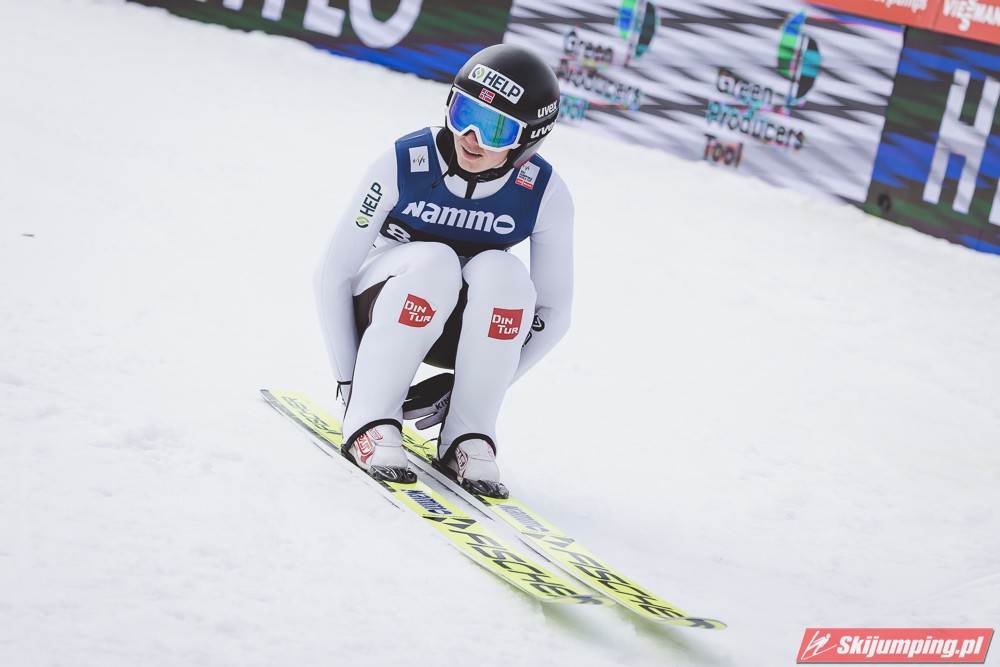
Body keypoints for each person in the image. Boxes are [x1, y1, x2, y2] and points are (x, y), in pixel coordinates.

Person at [314, 44, 573, 499]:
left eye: (495, 128)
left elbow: (552, 313)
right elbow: (331, 274)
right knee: (435, 262)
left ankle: (469, 432)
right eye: (463, 114)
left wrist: (472, 389)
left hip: (460, 330)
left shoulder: (544, 192)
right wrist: (351, 381)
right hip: (381, 308)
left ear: (528, 140)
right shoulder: (401, 162)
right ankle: (371, 419)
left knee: (505, 273)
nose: (471, 137)